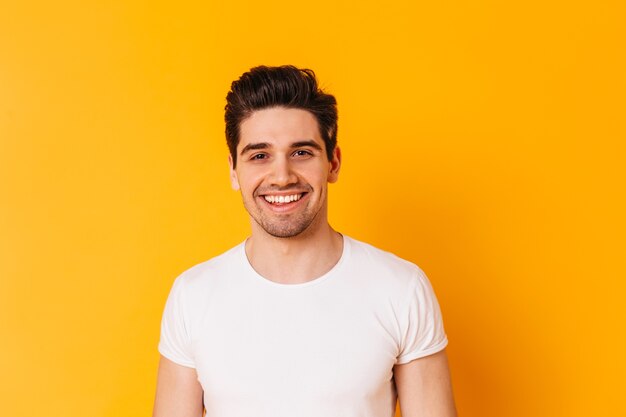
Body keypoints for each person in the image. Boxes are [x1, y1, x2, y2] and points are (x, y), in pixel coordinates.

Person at [153, 65, 457, 417]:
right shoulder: (193, 296)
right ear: (234, 171)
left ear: (333, 162)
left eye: (301, 152)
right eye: (259, 155)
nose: (281, 177)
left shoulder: (401, 289)